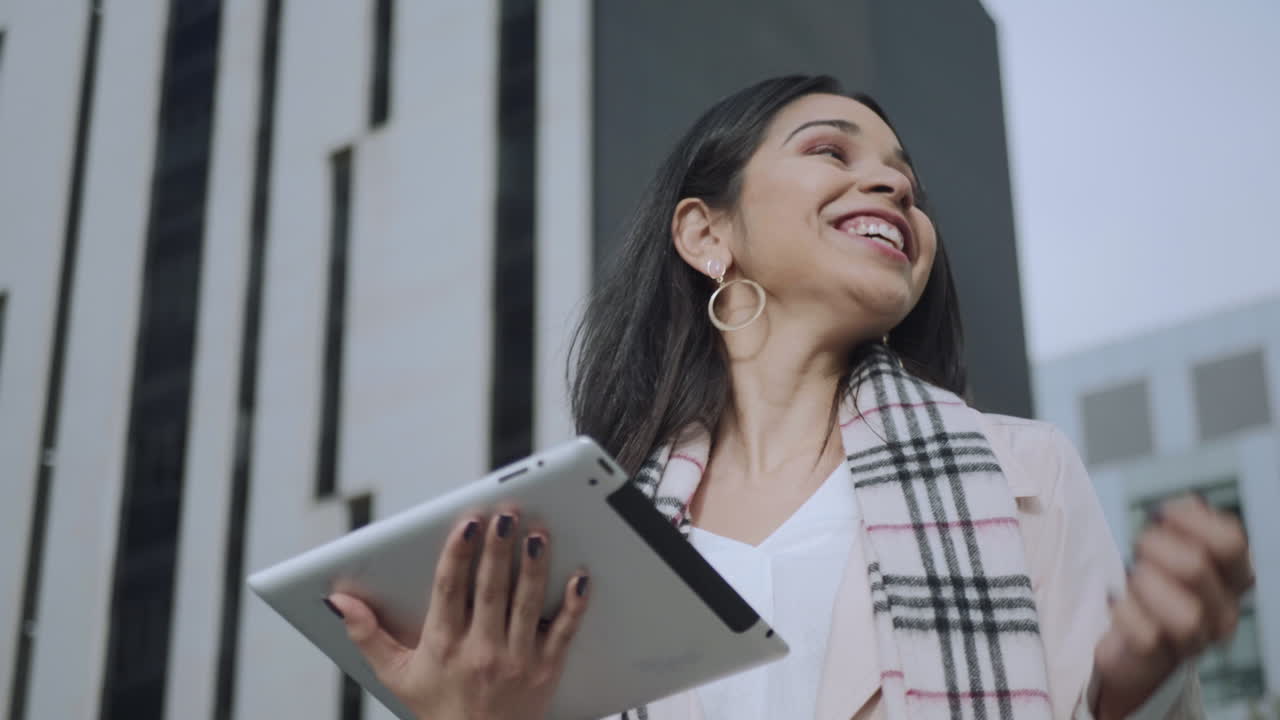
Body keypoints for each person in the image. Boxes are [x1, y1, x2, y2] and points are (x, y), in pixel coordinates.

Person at [325, 75, 1255, 720]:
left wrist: (1137, 682)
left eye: (906, 178)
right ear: (705, 234)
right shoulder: (585, 547)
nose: (892, 182)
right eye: (829, 149)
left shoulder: (1026, 474)